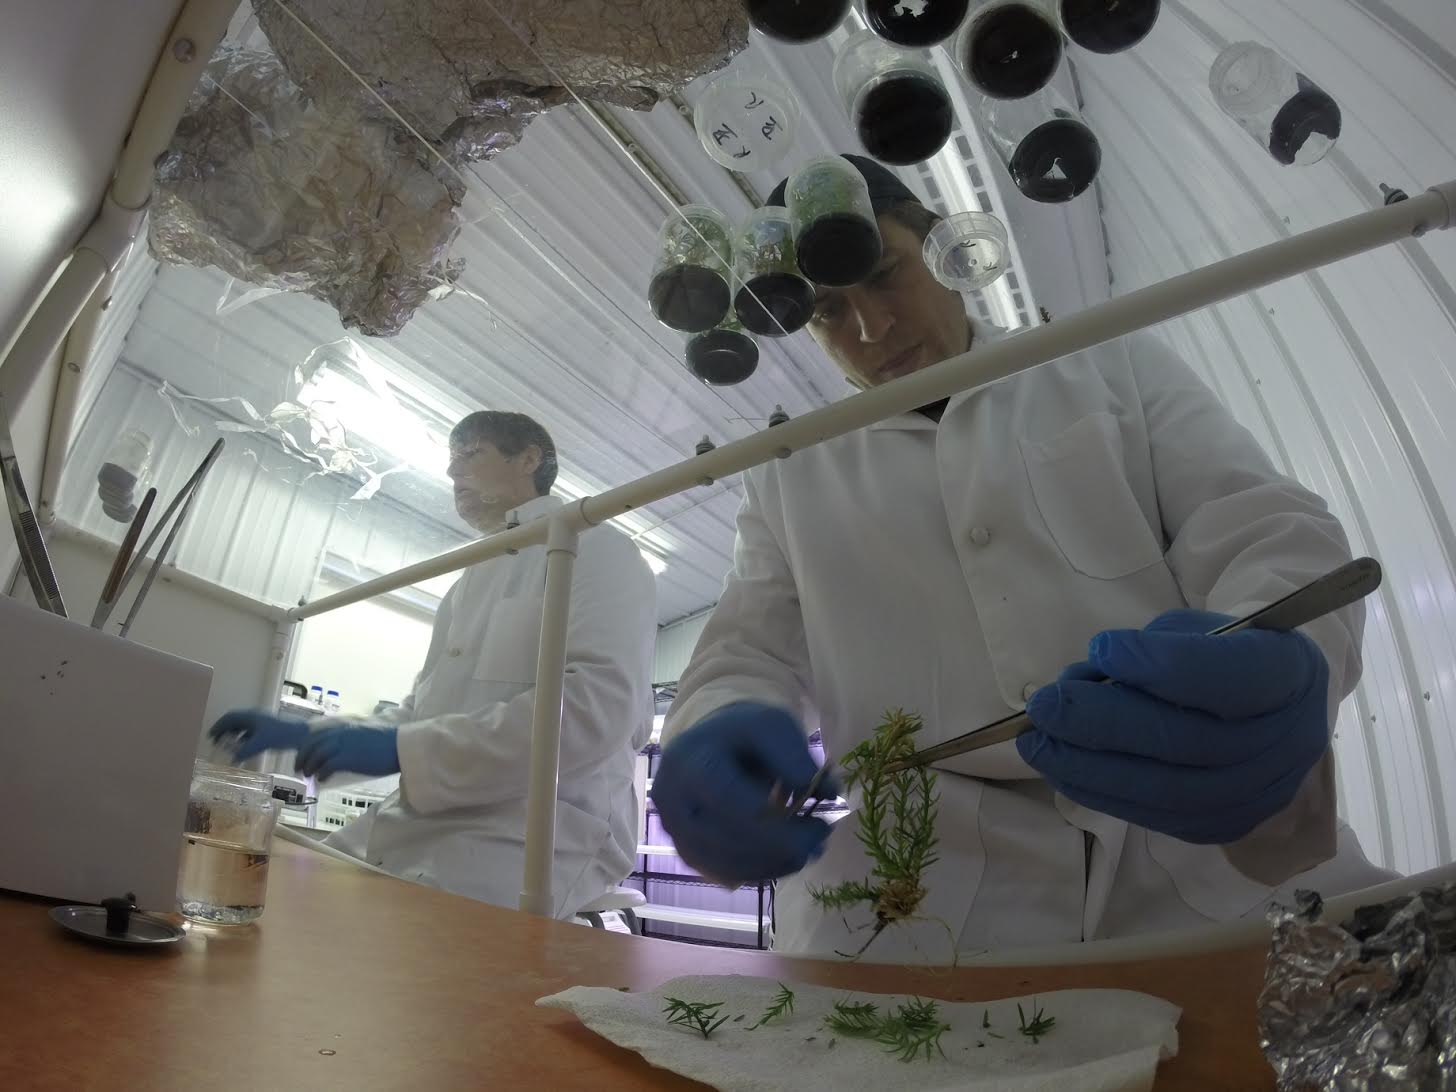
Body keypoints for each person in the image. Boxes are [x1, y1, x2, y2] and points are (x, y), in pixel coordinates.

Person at [650, 155, 1393, 961]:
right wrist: (716, 722)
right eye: (828, 312)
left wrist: (1287, 660)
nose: (871, 328)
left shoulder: (1104, 363)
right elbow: (744, 648)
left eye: (886, 275)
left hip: (1191, 842)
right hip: (916, 896)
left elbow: (1267, 528)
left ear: (938, 244)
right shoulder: (792, 472)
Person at [212, 411, 657, 918]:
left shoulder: (597, 547)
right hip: (426, 817)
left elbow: (595, 711)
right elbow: (419, 714)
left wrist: (405, 750)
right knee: (279, 890)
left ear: (529, 457)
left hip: (537, 827)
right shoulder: (468, 581)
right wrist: (311, 731)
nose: (452, 474)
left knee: (390, 950)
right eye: (451, 460)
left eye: (471, 454)